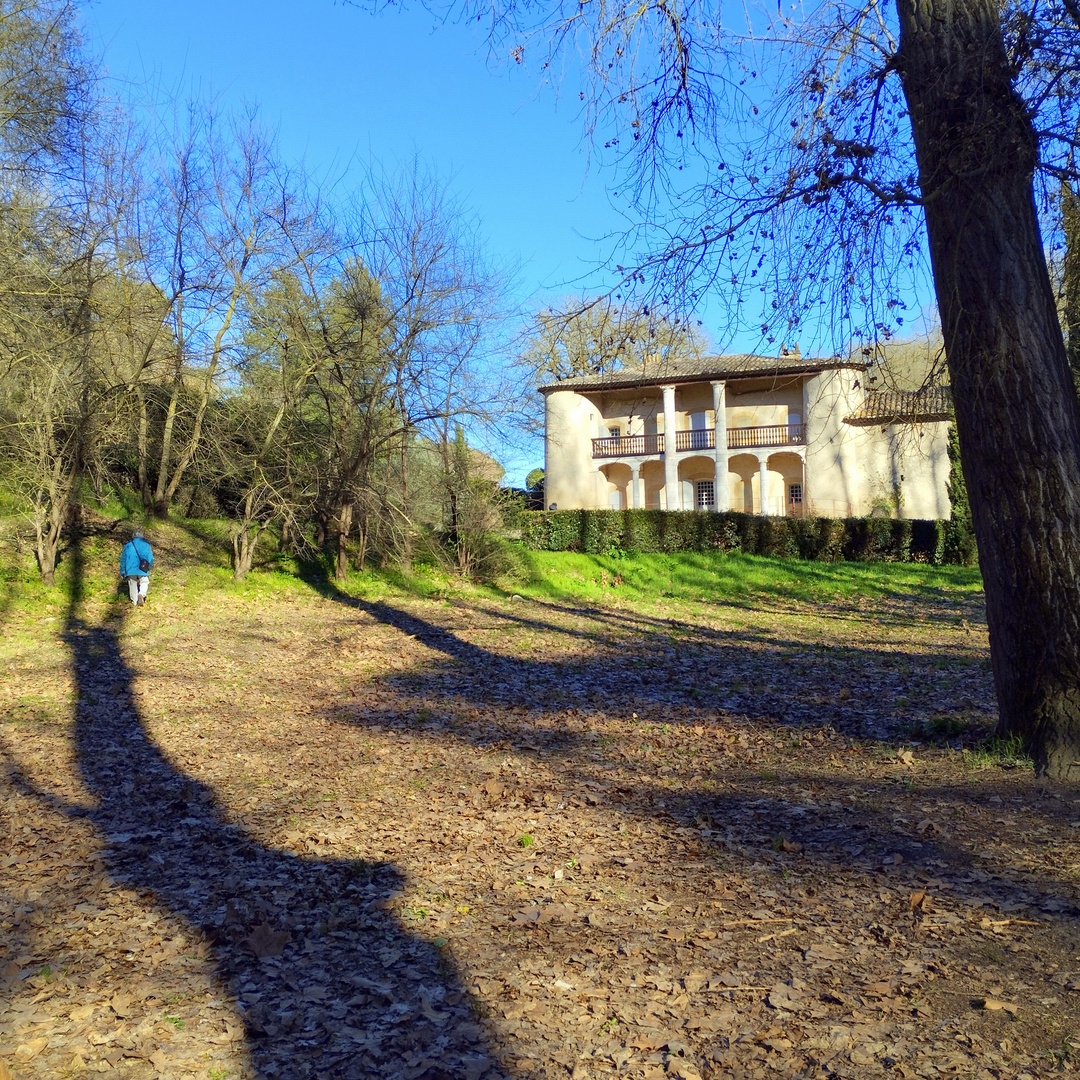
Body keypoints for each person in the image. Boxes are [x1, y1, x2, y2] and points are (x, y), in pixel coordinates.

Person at [120, 529, 154, 607]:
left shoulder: (128, 545)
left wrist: (123, 570)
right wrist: (148, 567)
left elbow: (123, 559)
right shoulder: (146, 545)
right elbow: (151, 558)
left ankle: (134, 602)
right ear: (142, 536)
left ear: (133, 536)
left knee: (132, 584)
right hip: (142, 567)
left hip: (130, 568)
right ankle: (141, 594)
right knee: (144, 581)